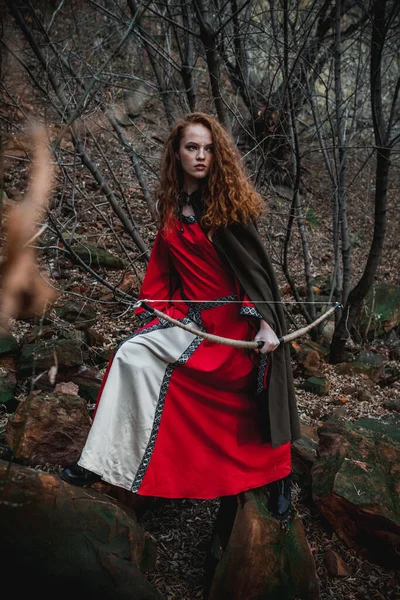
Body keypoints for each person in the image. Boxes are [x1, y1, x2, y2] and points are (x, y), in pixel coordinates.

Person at [60, 112, 300, 519]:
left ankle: (280, 477)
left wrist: (265, 323)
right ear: (177, 152)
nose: (201, 156)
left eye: (208, 149)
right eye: (192, 147)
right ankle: (99, 462)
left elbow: (256, 275)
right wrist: (155, 306)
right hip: (189, 322)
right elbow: (165, 268)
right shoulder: (169, 205)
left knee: (258, 398)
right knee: (129, 356)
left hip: (233, 330)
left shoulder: (229, 209)